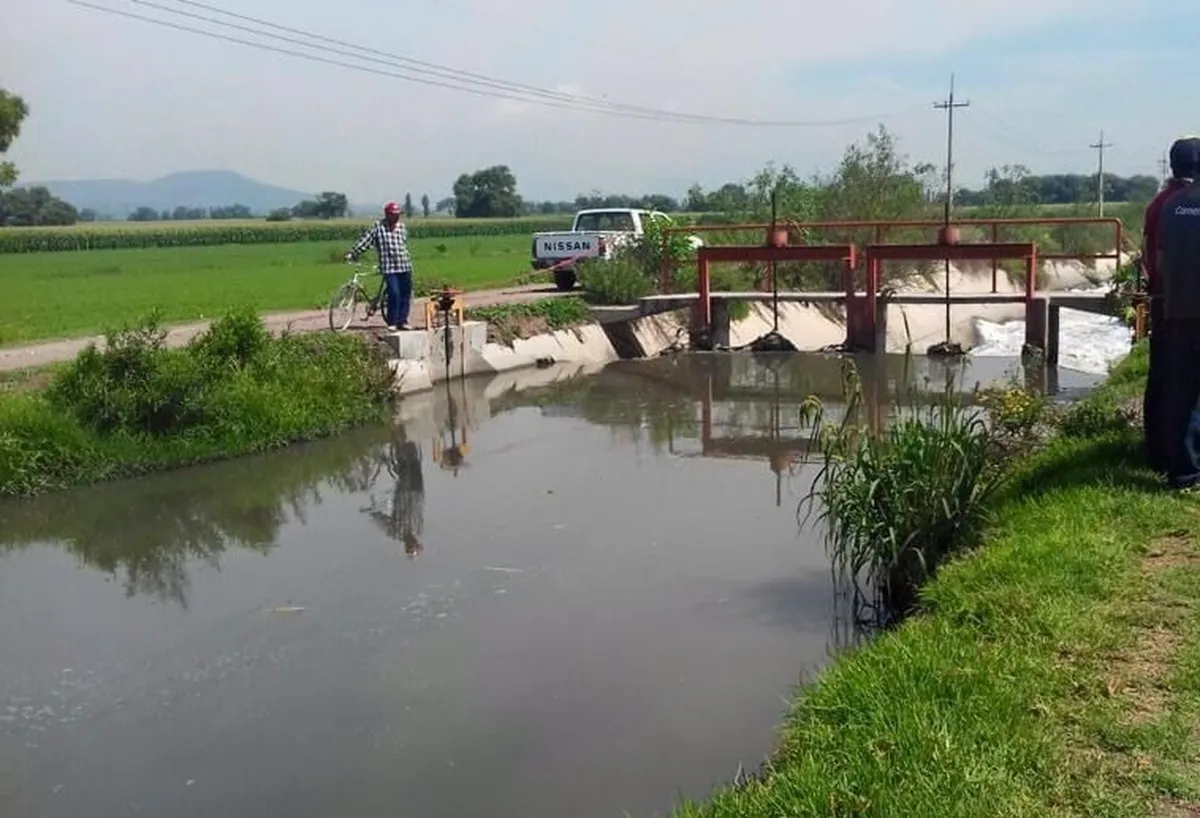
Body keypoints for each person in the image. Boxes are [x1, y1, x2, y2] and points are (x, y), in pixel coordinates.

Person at [1142, 137, 1200, 472]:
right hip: (1181, 300)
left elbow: (1153, 253)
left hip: (1167, 301)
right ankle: (1181, 458)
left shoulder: (1162, 203)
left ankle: (1162, 452)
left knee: (1168, 378)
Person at [345, 201, 414, 331]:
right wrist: (353, 252)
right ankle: (392, 322)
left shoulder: (402, 227)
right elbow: (366, 241)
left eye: (398, 214)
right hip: (389, 267)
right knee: (394, 293)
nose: (396, 217)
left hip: (405, 265)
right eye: (393, 215)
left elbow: (404, 245)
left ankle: (402, 321)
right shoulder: (378, 227)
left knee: (405, 294)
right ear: (387, 215)